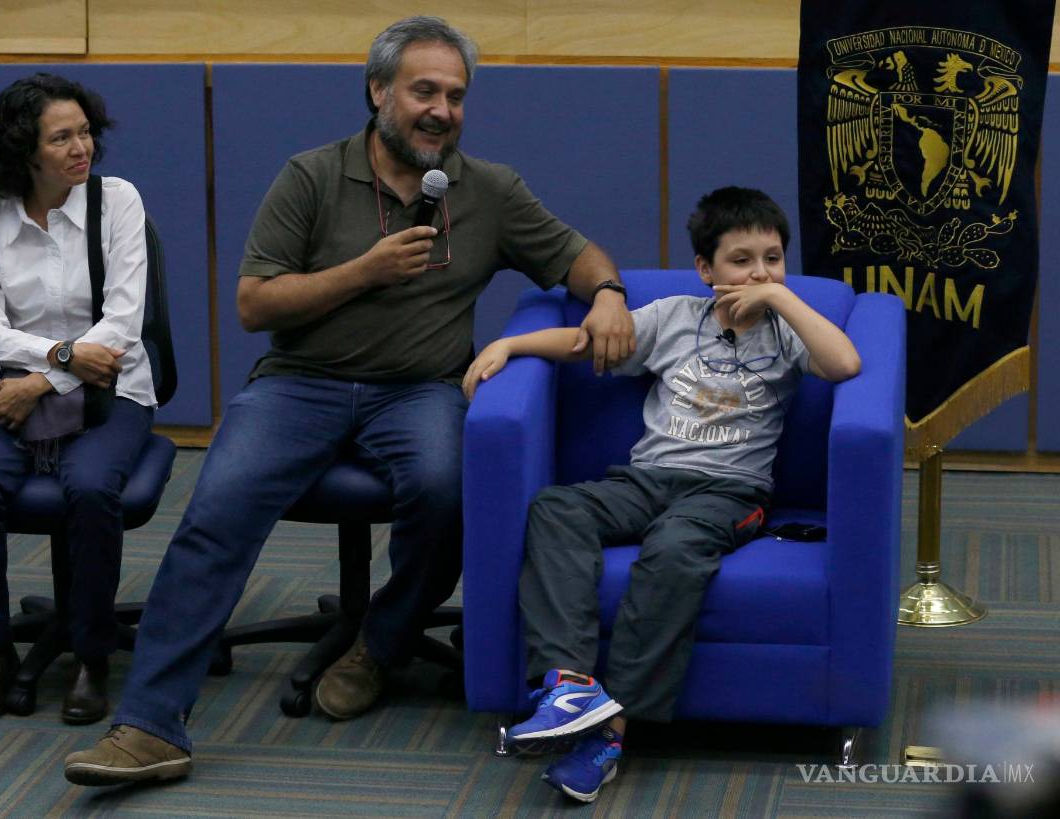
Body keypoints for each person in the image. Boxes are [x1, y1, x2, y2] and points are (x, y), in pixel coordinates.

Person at [64, 15, 634, 787]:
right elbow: (254, 305)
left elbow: (577, 253)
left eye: (456, 96)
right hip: (302, 385)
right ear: (378, 92)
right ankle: (150, 725)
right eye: (423, 90)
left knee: (447, 493)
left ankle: (382, 642)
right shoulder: (311, 175)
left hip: (420, 390)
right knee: (217, 508)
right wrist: (364, 270)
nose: (441, 110)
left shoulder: (488, 190)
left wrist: (606, 293)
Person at [462, 187, 862, 803]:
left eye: (773, 258)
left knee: (674, 551)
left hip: (730, 491)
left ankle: (610, 732)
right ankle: (569, 686)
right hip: (647, 478)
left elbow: (844, 364)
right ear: (706, 270)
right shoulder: (675, 316)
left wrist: (783, 296)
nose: (758, 272)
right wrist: (509, 345)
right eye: (741, 260)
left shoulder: (787, 331)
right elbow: (580, 343)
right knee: (557, 508)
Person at [0, 73, 155, 724]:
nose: (80, 148)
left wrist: (45, 375)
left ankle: (92, 657)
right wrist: (62, 358)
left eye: (85, 132)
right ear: (24, 149)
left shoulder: (116, 202)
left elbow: (121, 326)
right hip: (14, 388)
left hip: (114, 387)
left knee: (92, 489)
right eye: (61, 137)